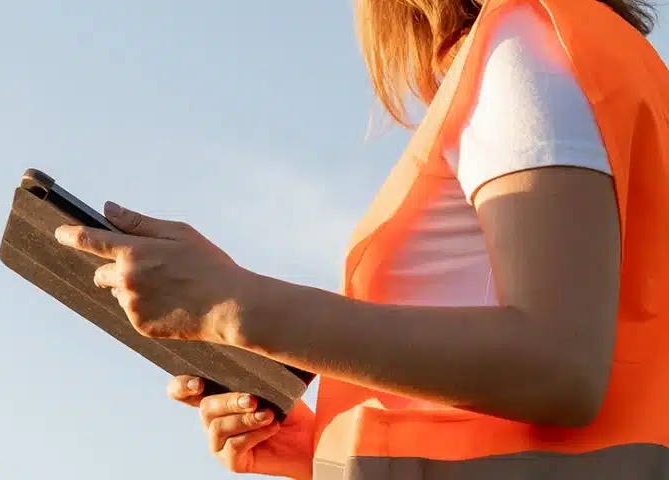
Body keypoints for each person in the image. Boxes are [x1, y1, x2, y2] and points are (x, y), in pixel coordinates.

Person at [56, 0, 669, 478]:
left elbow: (558, 363)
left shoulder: (527, 46)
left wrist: (233, 307)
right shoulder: (565, 50)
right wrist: (322, 444)